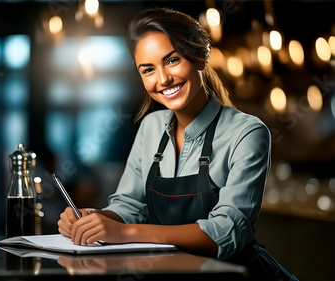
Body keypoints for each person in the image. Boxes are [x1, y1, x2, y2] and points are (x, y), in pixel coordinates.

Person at [57, 7, 298, 281]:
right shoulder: (150, 128)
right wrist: (95, 219)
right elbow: (130, 207)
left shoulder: (247, 132)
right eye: (148, 69)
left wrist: (124, 233)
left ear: (199, 56)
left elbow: (228, 230)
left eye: (172, 60)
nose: (163, 79)